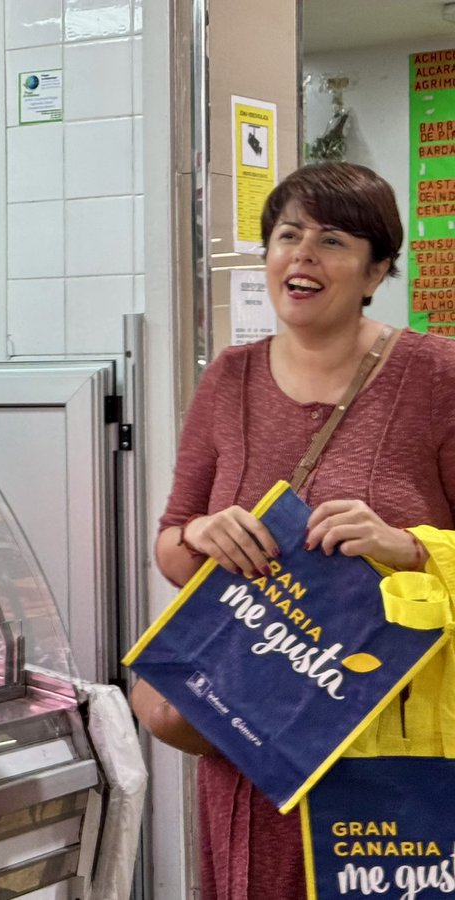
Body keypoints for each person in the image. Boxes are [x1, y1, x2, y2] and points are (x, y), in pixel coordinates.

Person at [130, 162, 455, 899]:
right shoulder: (229, 379)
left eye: (334, 240)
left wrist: (406, 548)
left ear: (376, 273)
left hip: (390, 752)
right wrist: (205, 535)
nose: (303, 254)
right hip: (248, 738)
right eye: (288, 235)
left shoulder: (436, 375)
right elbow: (172, 544)